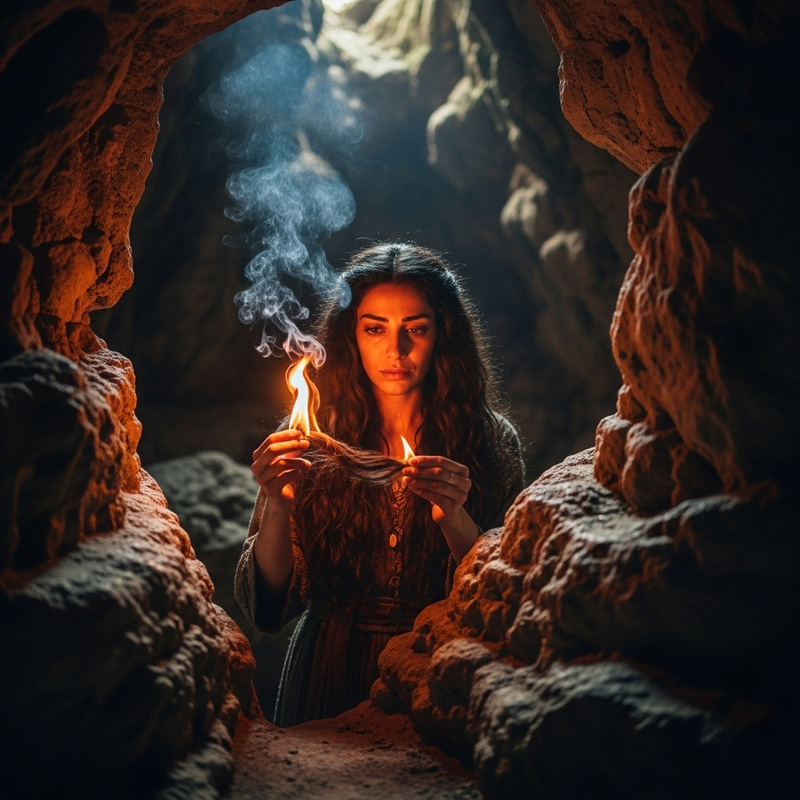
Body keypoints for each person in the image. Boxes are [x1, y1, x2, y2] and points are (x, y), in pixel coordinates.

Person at [234, 242, 525, 726]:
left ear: (443, 335)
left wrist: (455, 518)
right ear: (352, 335)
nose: (396, 350)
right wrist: (277, 506)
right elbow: (269, 609)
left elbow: (507, 601)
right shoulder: (309, 435)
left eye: (416, 328)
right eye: (376, 328)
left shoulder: (490, 440)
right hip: (327, 672)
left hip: (438, 671)